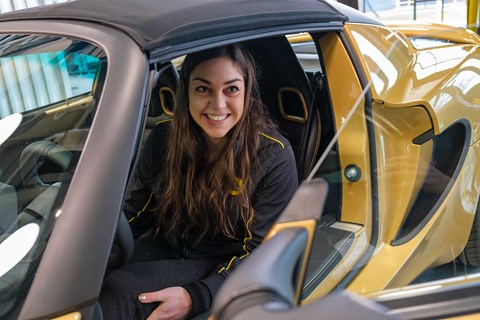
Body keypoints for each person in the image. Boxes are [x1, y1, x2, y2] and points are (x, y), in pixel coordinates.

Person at [99, 44, 298, 320]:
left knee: (119, 293)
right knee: (91, 277)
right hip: (170, 247)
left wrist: (197, 295)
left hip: (222, 263)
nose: (218, 105)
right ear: (186, 93)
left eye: (231, 89)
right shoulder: (163, 139)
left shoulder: (273, 156)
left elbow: (262, 253)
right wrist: (95, 248)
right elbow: (139, 210)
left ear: (247, 93)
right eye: (203, 89)